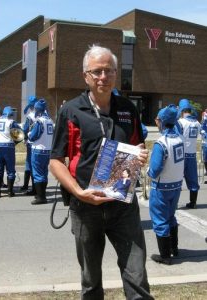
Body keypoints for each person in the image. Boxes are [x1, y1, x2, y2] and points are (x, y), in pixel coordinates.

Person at [50, 45, 153, 300]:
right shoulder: (71, 110)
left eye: (108, 71)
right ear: (86, 75)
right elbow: (55, 161)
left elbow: (137, 146)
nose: (103, 77)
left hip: (122, 206)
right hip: (85, 205)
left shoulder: (128, 109)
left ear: (116, 74)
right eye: (96, 71)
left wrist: (140, 154)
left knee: (137, 275)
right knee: (90, 280)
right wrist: (78, 192)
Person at [147, 104, 184, 265]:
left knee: (160, 219)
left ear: (161, 121)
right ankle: (174, 248)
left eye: (157, 119)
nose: (156, 121)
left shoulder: (161, 143)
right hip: (176, 186)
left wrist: (147, 171)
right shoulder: (179, 139)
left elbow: (154, 170)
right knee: (171, 217)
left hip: (161, 188)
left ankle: (165, 255)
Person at [0, 106, 22, 198]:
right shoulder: (11, 122)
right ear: (10, 114)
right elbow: (20, 134)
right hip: (8, 147)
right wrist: (15, 142)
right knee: (10, 169)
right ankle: (10, 191)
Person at [28, 99, 54, 205]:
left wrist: (29, 134)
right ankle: (41, 194)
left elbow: (34, 136)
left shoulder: (39, 121)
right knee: (44, 173)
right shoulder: (50, 120)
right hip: (47, 150)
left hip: (38, 150)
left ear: (38, 109)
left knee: (38, 174)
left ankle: (41, 197)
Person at [177, 99, 201, 208]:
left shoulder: (181, 122)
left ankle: (174, 203)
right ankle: (193, 202)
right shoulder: (197, 123)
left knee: (177, 178)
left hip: (181, 155)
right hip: (192, 154)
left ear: (181, 110)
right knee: (193, 178)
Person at [22, 95, 38, 194]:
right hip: (40, 143)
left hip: (30, 143)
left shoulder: (30, 116)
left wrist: (24, 138)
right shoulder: (43, 114)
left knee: (29, 164)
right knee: (35, 165)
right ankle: (32, 186)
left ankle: (28, 186)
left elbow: (25, 129)